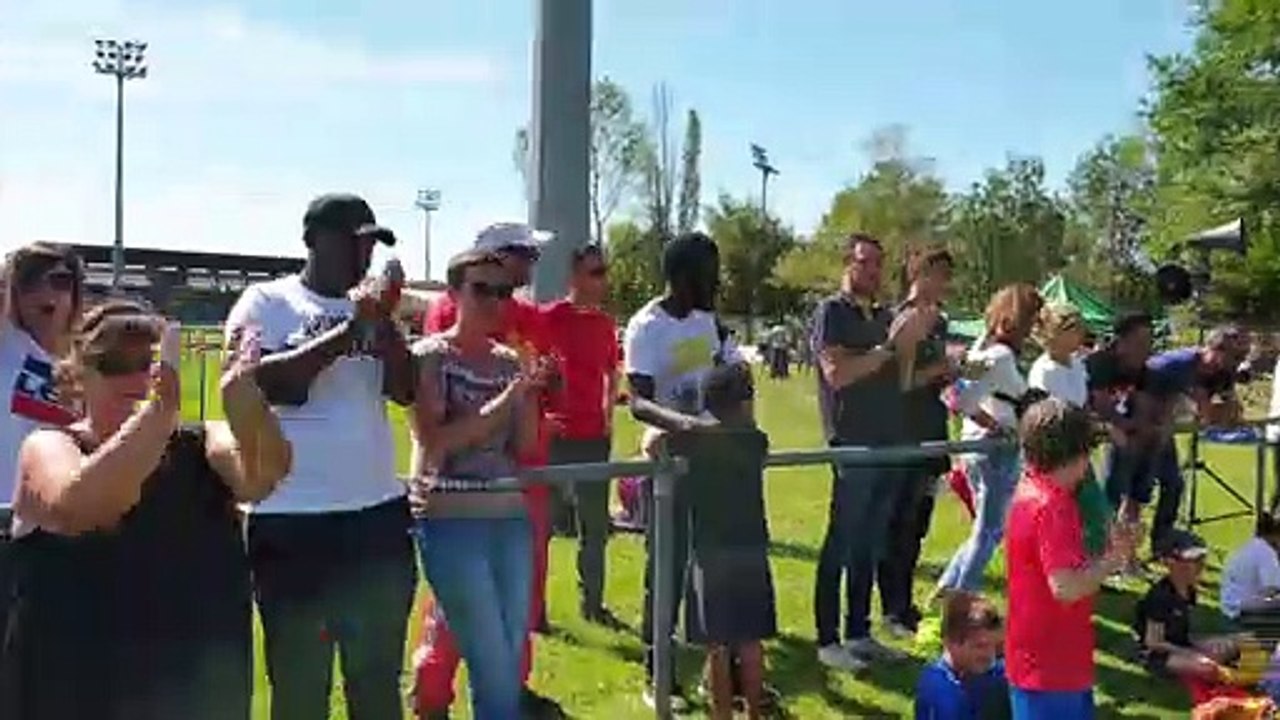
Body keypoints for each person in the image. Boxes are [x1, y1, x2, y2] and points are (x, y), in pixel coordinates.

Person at [1, 300, 292, 719]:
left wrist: (249, 407)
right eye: (115, 362)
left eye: (150, 360)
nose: (137, 376)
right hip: (71, 691)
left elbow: (264, 476)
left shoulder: (202, 444)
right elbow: (83, 506)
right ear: (80, 373)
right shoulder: (49, 447)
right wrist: (157, 414)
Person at [226, 193, 417, 720]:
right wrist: (352, 331)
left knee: (376, 684)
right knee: (301, 688)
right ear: (312, 240)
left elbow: (406, 391)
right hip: (293, 521)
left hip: (374, 517)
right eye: (351, 243)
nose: (363, 257)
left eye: (370, 246)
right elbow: (270, 385)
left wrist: (388, 331)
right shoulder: (267, 302)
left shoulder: (373, 310)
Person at [411, 222, 561, 719]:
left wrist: (534, 396)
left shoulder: (508, 361)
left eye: (503, 292)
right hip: (452, 520)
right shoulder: (430, 356)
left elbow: (521, 447)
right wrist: (511, 396)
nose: (495, 301)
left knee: (508, 652)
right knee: (490, 656)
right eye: (482, 290)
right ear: (453, 292)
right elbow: (438, 442)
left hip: (509, 519)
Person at [624, 231, 741, 708]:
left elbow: (728, 373)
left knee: (715, 565)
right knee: (666, 569)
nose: (716, 281)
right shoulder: (647, 327)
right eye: (708, 272)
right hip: (670, 464)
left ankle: (721, 670)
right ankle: (658, 671)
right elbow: (637, 401)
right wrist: (687, 425)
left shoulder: (708, 322)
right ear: (681, 276)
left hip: (714, 464)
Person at [810, 233, 934, 672]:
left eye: (879, 264)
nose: (873, 271)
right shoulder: (832, 313)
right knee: (842, 541)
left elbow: (899, 380)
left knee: (870, 543)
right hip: (852, 441)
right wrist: (885, 349)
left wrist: (909, 345)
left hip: (889, 440)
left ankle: (858, 633)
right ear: (847, 264)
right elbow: (837, 374)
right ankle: (827, 640)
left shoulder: (884, 314)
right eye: (864, 263)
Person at [655, 363, 776, 720]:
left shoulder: (694, 440)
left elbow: (652, 442)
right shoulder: (756, 439)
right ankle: (754, 712)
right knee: (752, 641)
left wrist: (683, 422)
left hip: (710, 553)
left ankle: (722, 713)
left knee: (718, 646)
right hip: (753, 548)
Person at [1005, 397, 1138, 719]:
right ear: (1079, 453)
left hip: (1036, 653)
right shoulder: (1054, 508)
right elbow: (1065, 587)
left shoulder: (1029, 488)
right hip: (1052, 663)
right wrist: (1115, 558)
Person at [937, 284, 1042, 597]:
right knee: (989, 533)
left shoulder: (987, 349)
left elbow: (958, 393)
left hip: (984, 449)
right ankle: (961, 598)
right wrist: (994, 425)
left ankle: (948, 589)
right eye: (1033, 319)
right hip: (992, 452)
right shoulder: (998, 356)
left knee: (985, 531)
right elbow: (959, 398)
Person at [0, 243, 83, 626]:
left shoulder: (85, 367)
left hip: (55, 527)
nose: (46, 293)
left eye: (61, 281)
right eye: (29, 281)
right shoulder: (7, 346)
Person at [542, 244, 622, 626]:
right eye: (594, 272)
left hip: (593, 438)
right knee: (541, 528)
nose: (601, 280)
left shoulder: (605, 325)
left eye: (604, 272)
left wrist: (608, 416)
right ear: (574, 277)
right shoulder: (549, 318)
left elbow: (612, 371)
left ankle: (593, 604)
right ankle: (533, 611)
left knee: (594, 527)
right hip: (554, 437)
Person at [881, 246, 955, 638]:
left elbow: (932, 378)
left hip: (932, 430)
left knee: (918, 524)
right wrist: (941, 368)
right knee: (899, 524)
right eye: (939, 274)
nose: (945, 283)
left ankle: (904, 604)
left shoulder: (939, 321)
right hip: (905, 434)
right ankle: (891, 609)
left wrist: (953, 371)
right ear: (919, 273)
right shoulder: (906, 319)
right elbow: (903, 382)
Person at [1127, 325, 1250, 550]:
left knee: (1173, 484)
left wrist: (1220, 410)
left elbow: (1231, 411)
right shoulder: (1174, 365)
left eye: (1241, 357)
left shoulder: (1224, 372)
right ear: (1215, 349)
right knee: (1137, 493)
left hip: (1165, 431)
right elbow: (1137, 394)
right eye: (1235, 356)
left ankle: (1162, 542)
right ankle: (1125, 557)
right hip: (1140, 429)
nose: (1237, 363)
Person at [1027, 303, 1109, 557]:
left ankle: (1087, 566)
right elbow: (1050, 414)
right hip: (1056, 453)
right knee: (1063, 513)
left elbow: (1082, 403)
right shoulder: (1044, 371)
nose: (1080, 335)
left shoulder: (1076, 364)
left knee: (1094, 511)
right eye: (1074, 330)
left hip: (1078, 449)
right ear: (1056, 333)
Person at [1136, 529, 1245, 684]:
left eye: (1201, 559)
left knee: (1241, 640)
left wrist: (1199, 647)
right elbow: (1154, 642)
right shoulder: (1159, 596)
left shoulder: (1189, 589)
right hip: (1159, 656)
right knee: (1207, 667)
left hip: (1184, 645)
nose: (1200, 565)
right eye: (1193, 560)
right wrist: (1191, 654)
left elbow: (1183, 631)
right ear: (1170, 562)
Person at [1085, 312, 1155, 536]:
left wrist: (1140, 426)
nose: (1146, 348)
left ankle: (1126, 552)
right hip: (1092, 435)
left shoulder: (1142, 368)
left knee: (1139, 489)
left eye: (1149, 341)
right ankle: (1101, 550)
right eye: (1140, 342)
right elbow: (1102, 405)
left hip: (1122, 434)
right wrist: (1128, 426)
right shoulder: (1100, 363)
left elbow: (1144, 404)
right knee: (1110, 494)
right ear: (1121, 341)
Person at [914, 592, 1010, 720]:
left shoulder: (992, 672)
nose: (990, 654)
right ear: (951, 643)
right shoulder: (941, 688)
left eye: (996, 647)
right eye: (980, 646)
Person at [1221, 513, 1280, 640]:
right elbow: (1271, 593)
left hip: (1230, 611)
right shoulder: (1267, 554)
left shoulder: (1244, 549)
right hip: (1247, 614)